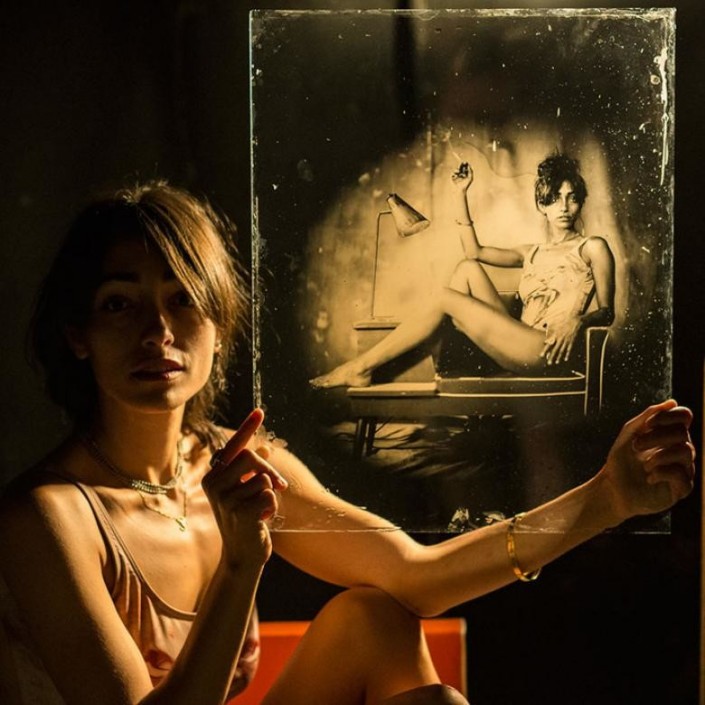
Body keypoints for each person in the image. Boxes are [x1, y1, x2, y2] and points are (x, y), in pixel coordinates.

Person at [0, 181, 694, 705]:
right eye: (119, 303)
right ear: (77, 335)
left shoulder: (242, 463)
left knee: (375, 617)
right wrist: (240, 565)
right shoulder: (47, 519)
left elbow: (418, 576)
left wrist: (607, 499)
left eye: (182, 298)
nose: (157, 330)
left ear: (218, 322)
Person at [310, 154, 616, 388]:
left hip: (546, 348)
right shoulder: (531, 252)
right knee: (467, 269)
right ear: (542, 205)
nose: (564, 207)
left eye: (572, 198)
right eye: (555, 198)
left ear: (580, 203)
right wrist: (460, 194)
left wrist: (578, 321)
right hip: (517, 341)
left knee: (443, 298)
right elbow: (474, 252)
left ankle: (362, 367)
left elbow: (607, 312)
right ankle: (442, 368)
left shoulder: (592, 247)